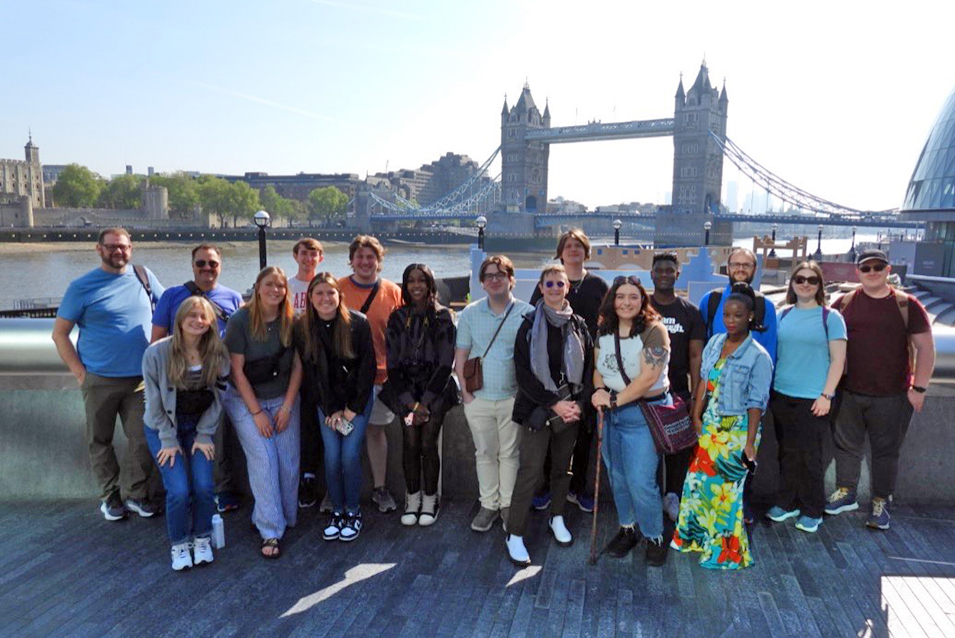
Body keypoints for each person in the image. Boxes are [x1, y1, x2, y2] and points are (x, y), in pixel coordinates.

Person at [52, 227, 164, 521]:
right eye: (112, 246)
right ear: (98, 249)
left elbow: (169, 310)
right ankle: (110, 495)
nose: (119, 251)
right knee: (100, 440)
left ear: (131, 249)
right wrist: (80, 373)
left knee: (143, 439)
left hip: (141, 380)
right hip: (99, 379)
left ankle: (138, 494)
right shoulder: (82, 286)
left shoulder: (144, 277)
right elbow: (60, 334)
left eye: (124, 247)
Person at [827, 249, 935, 530]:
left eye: (878, 267)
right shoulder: (844, 302)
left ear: (888, 270)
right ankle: (846, 492)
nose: (872, 272)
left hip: (893, 394)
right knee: (846, 446)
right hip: (849, 391)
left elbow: (926, 348)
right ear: (857, 273)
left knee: (886, 452)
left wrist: (919, 388)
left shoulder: (906, 305)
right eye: (866, 268)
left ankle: (880, 502)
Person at [671, 282, 773, 570]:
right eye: (726, 315)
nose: (730, 320)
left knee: (727, 493)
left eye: (737, 315)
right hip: (710, 429)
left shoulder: (758, 357)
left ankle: (725, 552)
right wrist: (696, 415)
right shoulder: (715, 342)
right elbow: (704, 380)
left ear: (750, 316)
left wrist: (750, 444)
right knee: (697, 486)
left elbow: (757, 403)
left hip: (736, 433)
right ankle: (695, 538)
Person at [506, 265, 593, 566]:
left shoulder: (579, 325)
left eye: (560, 283)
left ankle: (557, 517)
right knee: (530, 470)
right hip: (538, 409)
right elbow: (523, 373)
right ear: (541, 288)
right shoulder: (529, 324)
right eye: (549, 284)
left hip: (570, 409)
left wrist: (578, 405)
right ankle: (514, 532)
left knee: (562, 469)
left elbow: (591, 370)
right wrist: (553, 403)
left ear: (567, 288)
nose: (555, 288)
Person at [150, 243, 244, 514]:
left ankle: (222, 489)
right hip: (179, 382)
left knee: (218, 436)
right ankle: (186, 491)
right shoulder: (172, 296)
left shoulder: (234, 298)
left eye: (212, 263)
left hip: (218, 383)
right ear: (192, 266)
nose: (207, 268)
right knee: (179, 435)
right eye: (201, 263)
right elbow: (156, 340)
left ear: (220, 266)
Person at [142, 297, 230, 570]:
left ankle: (202, 537)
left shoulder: (218, 352)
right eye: (191, 315)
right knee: (178, 489)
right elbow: (153, 401)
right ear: (179, 319)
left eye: (203, 316)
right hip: (163, 428)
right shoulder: (156, 353)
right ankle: (179, 543)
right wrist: (168, 440)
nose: (197, 321)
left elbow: (219, 396)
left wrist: (205, 434)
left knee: (204, 485)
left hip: (199, 426)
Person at [591, 276, 672, 566]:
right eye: (620, 296)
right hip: (612, 414)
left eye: (633, 297)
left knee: (640, 480)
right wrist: (600, 390)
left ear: (642, 300)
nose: (626, 302)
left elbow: (648, 378)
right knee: (618, 476)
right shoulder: (605, 329)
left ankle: (654, 534)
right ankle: (628, 528)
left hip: (643, 413)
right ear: (612, 300)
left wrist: (613, 400)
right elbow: (599, 368)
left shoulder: (655, 330)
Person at [222, 266, 302, 559]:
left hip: (282, 397)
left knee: (289, 463)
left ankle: (279, 517)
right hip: (246, 400)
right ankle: (270, 530)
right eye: (269, 285)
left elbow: (297, 366)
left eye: (280, 286)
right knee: (265, 461)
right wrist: (257, 413)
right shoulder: (240, 320)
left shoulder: (291, 321)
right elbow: (236, 372)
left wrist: (287, 406)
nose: (275, 291)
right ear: (257, 287)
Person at [528, 229, 608, 513]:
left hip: (589, 369)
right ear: (560, 251)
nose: (573, 250)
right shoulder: (551, 281)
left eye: (579, 246)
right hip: (551, 372)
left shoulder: (598, 285)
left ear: (586, 251)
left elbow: (610, 323)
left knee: (585, 431)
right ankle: (548, 486)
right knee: (553, 430)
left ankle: (578, 488)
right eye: (568, 245)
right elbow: (531, 323)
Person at [454, 255, 534, 532]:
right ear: (482, 283)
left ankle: (508, 505)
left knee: (510, 454)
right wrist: (466, 395)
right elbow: (461, 355)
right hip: (479, 397)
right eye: (489, 276)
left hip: (513, 397)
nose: (495, 280)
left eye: (501, 275)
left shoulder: (528, 312)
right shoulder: (470, 313)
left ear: (512, 280)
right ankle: (488, 504)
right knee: (485, 453)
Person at [295, 273, 377, 542]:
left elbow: (367, 370)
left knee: (349, 455)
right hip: (327, 404)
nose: (325, 298)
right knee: (332, 457)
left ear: (339, 296)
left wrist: (351, 409)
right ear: (310, 298)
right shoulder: (305, 328)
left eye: (330, 292)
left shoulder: (358, 324)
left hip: (357, 402)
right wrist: (330, 410)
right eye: (319, 293)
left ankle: (353, 512)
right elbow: (312, 375)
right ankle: (337, 511)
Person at [766, 261, 846, 534]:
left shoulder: (831, 318)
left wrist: (827, 395)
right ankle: (787, 502)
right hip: (781, 394)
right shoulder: (782, 315)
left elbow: (838, 361)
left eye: (812, 280)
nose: (805, 284)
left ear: (819, 285)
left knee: (811, 457)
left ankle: (813, 509)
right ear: (792, 283)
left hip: (814, 398)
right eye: (800, 279)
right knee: (787, 453)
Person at [699, 246, 777, 523]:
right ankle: (711, 513)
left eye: (747, 264)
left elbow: (769, 353)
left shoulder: (766, 306)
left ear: (754, 270)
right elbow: (702, 350)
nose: (741, 268)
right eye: (736, 264)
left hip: (744, 402)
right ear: (727, 268)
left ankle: (739, 509)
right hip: (713, 399)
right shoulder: (710, 301)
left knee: (742, 461)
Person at [381, 264, 457, 527]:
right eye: (411, 281)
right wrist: (410, 403)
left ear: (430, 284)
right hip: (405, 391)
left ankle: (430, 499)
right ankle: (412, 498)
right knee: (410, 443)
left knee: (428, 443)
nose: (416, 286)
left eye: (421, 281)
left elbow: (446, 363)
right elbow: (392, 364)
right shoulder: (397, 317)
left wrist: (424, 402)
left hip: (435, 390)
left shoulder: (443, 317)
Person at [338, 235, 403, 513]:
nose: (365, 262)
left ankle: (379, 489)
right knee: (342, 434)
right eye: (360, 257)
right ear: (351, 260)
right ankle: (336, 490)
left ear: (379, 261)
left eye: (370, 257)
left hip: (381, 377)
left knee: (376, 433)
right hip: (348, 380)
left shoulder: (392, 291)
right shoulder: (337, 288)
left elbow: (401, 334)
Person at [648, 252, 705, 523]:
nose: (664, 274)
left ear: (677, 274)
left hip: (678, 392)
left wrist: (695, 396)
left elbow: (696, 356)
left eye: (669, 270)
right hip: (644, 393)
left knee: (677, 450)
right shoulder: (640, 307)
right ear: (651, 273)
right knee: (646, 451)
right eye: (659, 270)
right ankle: (647, 498)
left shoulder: (690, 312)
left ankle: (672, 495)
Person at [287, 237, 325, 510]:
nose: (308, 259)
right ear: (295, 256)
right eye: (304, 253)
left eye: (314, 254)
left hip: (317, 368)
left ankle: (311, 477)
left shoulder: (326, 286)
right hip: (288, 366)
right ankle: (295, 478)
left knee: (314, 424)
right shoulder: (286, 287)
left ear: (320, 258)